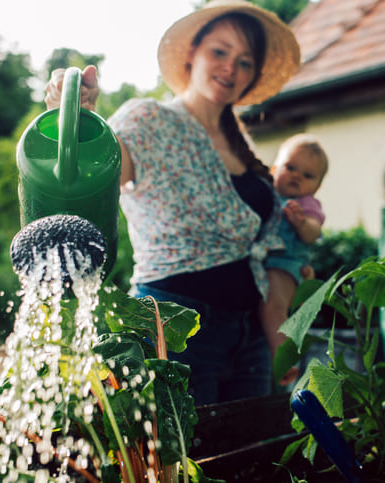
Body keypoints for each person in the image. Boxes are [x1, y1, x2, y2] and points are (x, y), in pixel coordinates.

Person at [44, 0, 301, 405]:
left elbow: (272, 245)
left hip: (249, 334)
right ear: (191, 55)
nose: (231, 68)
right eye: (220, 51)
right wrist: (79, 116)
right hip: (171, 324)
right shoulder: (148, 120)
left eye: (245, 62)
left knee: (246, 460)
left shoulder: (245, 149)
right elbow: (103, 173)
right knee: (182, 461)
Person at [260, 134, 328, 386]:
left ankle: (285, 360)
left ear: (316, 187)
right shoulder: (267, 193)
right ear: (274, 169)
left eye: (308, 176)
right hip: (263, 262)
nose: (297, 176)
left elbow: (314, 233)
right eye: (290, 168)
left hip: (285, 265)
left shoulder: (307, 204)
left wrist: (302, 223)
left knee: (273, 305)